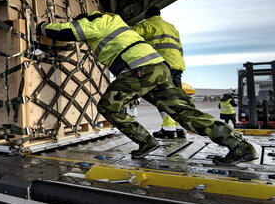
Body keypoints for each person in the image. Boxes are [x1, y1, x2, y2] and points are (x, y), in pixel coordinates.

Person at [37, 11, 257, 165]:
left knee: (109, 107)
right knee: (184, 113)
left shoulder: (97, 21)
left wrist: (41, 27)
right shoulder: (118, 24)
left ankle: (145, 141)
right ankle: (240, 146)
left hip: (139, 70)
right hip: (159, 69)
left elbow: (67, 31)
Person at [132, 6, 186, 139]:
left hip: (162, 65)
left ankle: (168, 129)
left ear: (147, 16)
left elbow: (128, 35)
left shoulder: (145, 25)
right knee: (176, 97)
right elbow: (180, 48)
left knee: (163, 97)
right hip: (177, 65)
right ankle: (180, 128)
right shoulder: (171, 27)